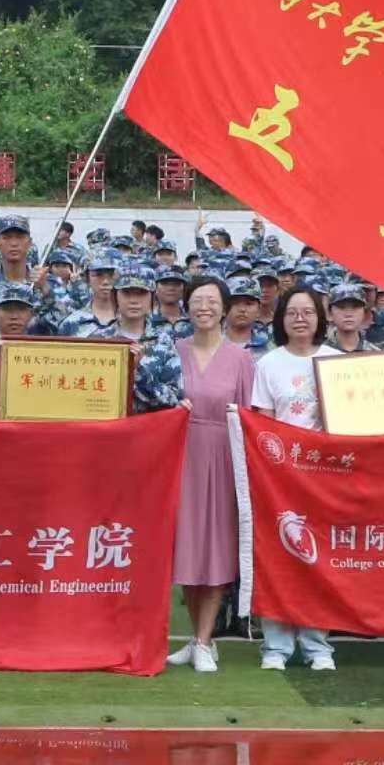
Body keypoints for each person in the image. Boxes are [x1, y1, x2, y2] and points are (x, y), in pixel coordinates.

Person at [157, 276, 253, 674]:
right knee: (187, 549)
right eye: (197, 300)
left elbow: (248, 416)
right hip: (180, 455)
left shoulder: (241, 359)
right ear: (187, 306)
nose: (204, 307)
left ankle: (202, 639)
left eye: (212, 300)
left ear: (224, 308)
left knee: (215, 549)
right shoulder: (171, 351)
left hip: (222, 455)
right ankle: (200, 639)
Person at [247, 287, 336, 672]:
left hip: (328, 477)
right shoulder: (269, 364)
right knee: (279, 559)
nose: (300, 319)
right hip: (280, 479)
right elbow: (262, 424)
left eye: (308, 312)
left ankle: (318, 646)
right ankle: (276, 646)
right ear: (281, 319)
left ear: (320, 318)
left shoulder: (337, 361)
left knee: (320, 561)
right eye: (292, 312)